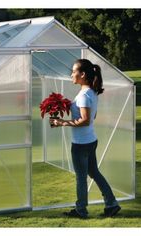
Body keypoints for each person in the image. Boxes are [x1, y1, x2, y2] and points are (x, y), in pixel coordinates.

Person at [49, 59, 121, 219]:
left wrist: (62, 122)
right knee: (94, 172)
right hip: (90, 140)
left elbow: (86, 120)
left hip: (81, 144)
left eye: (74, 71)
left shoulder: (84, 95)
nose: (71, 74)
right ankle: (112, 204)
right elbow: (92, 116)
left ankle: (81, 210)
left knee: (81, 178)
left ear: (82, 75)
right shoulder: (92, 92)